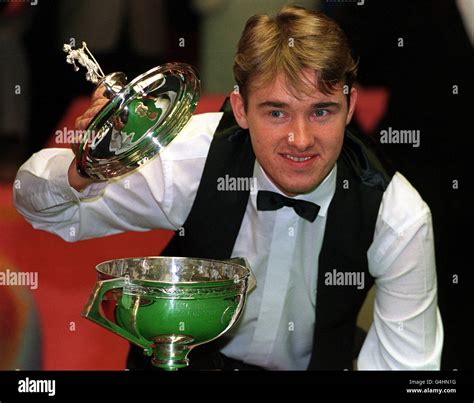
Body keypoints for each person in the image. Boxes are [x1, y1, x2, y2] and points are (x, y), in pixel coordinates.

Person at [13, 6, 443, 370]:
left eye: (321, 112)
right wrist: (89, 166)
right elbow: (42, 208)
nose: (300, 139)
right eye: (276, 113)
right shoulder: (192, 159)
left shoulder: (396, 213)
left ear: (350, 107)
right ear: (240, 108)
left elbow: (408, 365)